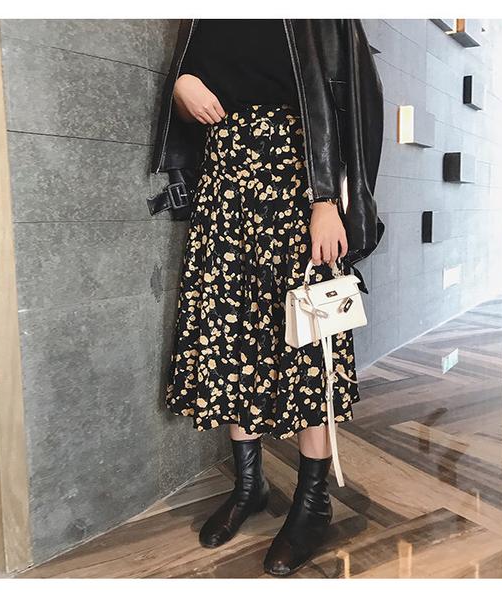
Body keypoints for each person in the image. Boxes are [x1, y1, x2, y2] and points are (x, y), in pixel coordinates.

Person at [150, 18, 384, 577]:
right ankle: (249, 486)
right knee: (229, 332)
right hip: (223, 184)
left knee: (307, 342)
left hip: (297, 183)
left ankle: (313, 502)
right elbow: (196, 84)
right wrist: (181, 86)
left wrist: (327, 199)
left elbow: (355, 101)